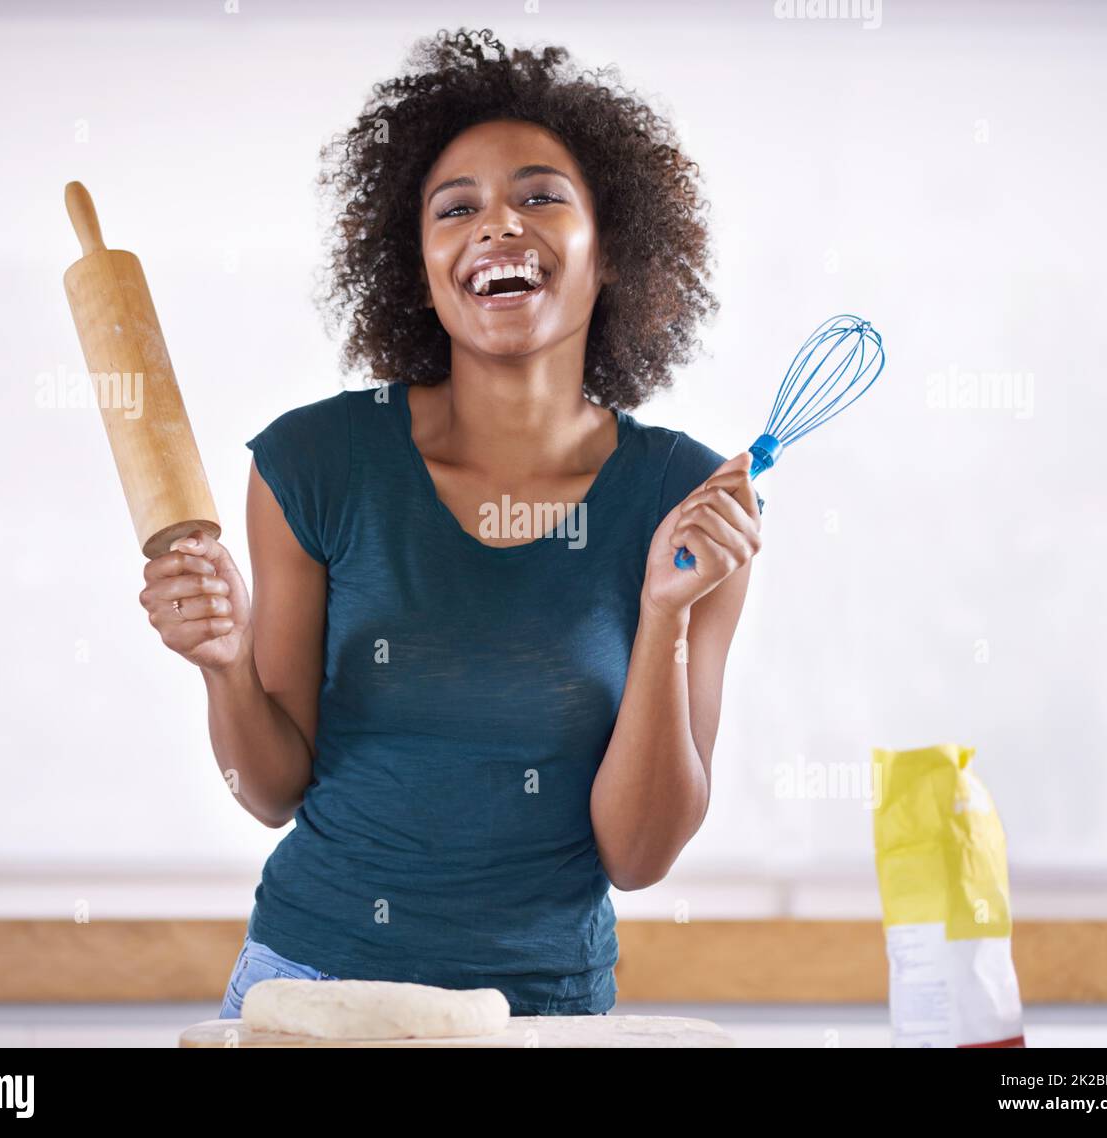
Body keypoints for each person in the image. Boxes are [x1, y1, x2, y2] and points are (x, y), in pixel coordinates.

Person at [137, 28, 762, 1021]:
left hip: (545, 1014)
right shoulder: (315, 464)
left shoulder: (689, 501)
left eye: (541, 195)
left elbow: (638, 857)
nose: (496, 225)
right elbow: (268, 791)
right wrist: (224, 663)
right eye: (456, 207)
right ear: (418, 267)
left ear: (612, 252)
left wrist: (664, 615)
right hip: (313, 992)